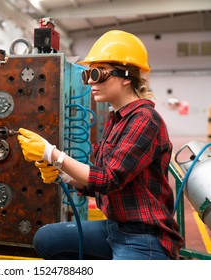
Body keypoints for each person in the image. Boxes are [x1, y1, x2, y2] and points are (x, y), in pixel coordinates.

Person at [17, 30, 184, 260]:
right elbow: (97, 182)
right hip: (114, 228)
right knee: (46, 239)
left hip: (142, 236)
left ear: (126, 77)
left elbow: (108, 179)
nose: (91, 82)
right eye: (88, 75)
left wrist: (52, 153)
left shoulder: (145, 120)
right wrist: (63, 175)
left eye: (98, 74)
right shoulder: (116, 119)